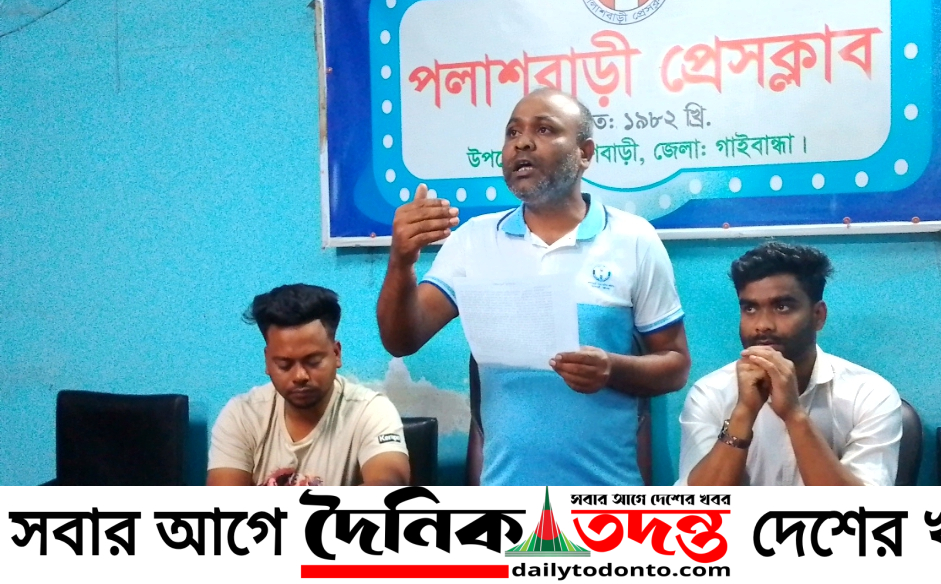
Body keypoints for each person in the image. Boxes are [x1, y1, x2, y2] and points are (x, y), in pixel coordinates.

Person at [377, 88, 690, 486]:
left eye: (544, 130)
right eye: (512, 133)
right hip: (505, 497)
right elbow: (401, 339)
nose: (522, 143)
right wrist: (401, 261)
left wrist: (612, 370)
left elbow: (675, 366)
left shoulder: (633, 239)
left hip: (606, 499)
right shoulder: (474, 240)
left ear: (585, 153)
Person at [678, 242, 901, 486]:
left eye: (782, 307)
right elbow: (691, 505)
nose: (763, 325)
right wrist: (743, 413)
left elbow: (865, 508)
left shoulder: (869, 395)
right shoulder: (711, 393)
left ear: (818, 316)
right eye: (750, 308)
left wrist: (794, 415)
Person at [208, 284, 410, 486]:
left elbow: (389, 484)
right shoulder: (241, 416)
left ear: (336, 354)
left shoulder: (371, 411)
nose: (300, 376)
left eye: (313, 362)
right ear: (267, 362)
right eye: (284, 365)